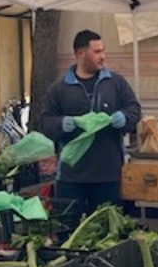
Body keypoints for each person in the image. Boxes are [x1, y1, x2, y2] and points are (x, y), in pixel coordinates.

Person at [38, 29, 140, 214]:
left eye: (103, 51)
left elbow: (134, 109)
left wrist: (124, 118)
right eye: (97, 52)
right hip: (71, 177)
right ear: (80, 54)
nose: (103, 56)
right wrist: (62, 123)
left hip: (108, 175)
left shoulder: (115, 83)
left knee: (106, 232)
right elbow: (45, 122)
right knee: (68, 230)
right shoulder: (59, 89)